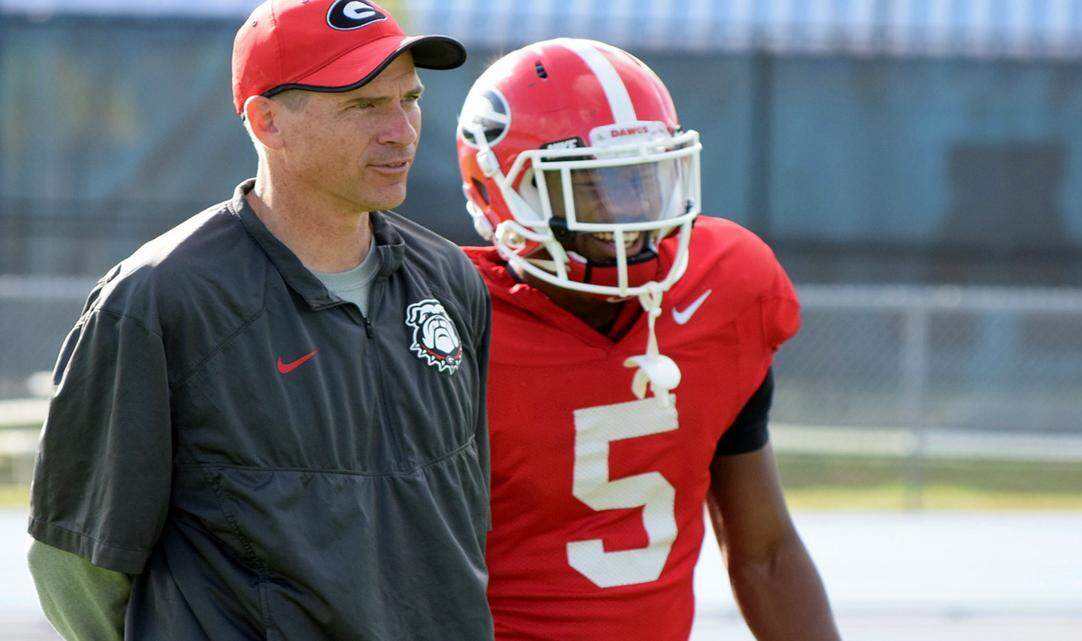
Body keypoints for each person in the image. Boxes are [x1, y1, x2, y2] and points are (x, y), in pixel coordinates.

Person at [27, 2, 493, 639]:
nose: (402, 131)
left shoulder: (450, 279)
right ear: (267, 121)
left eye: (409, 98)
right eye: (363, 106)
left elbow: (466, 516)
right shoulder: (159, 300)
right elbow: (76, 563)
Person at [456, 38, 841, 640]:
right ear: (501, 190)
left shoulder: (726, 289)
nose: (631, 214)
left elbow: (765, 551)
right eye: (595, 187)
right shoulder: (447, 318)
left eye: (644, 178)